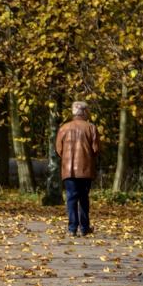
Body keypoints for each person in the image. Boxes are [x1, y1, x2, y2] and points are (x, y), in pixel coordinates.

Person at [55, 101, 100, 236]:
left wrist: (66, 159)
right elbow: (96, 149)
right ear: (85, 112)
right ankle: (85, 228)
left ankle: (72, 228)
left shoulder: (64, 128)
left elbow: (59, 149)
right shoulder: (91, 127)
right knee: (84, 198)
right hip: (85, 169)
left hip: (68, 170)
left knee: (71, 198)